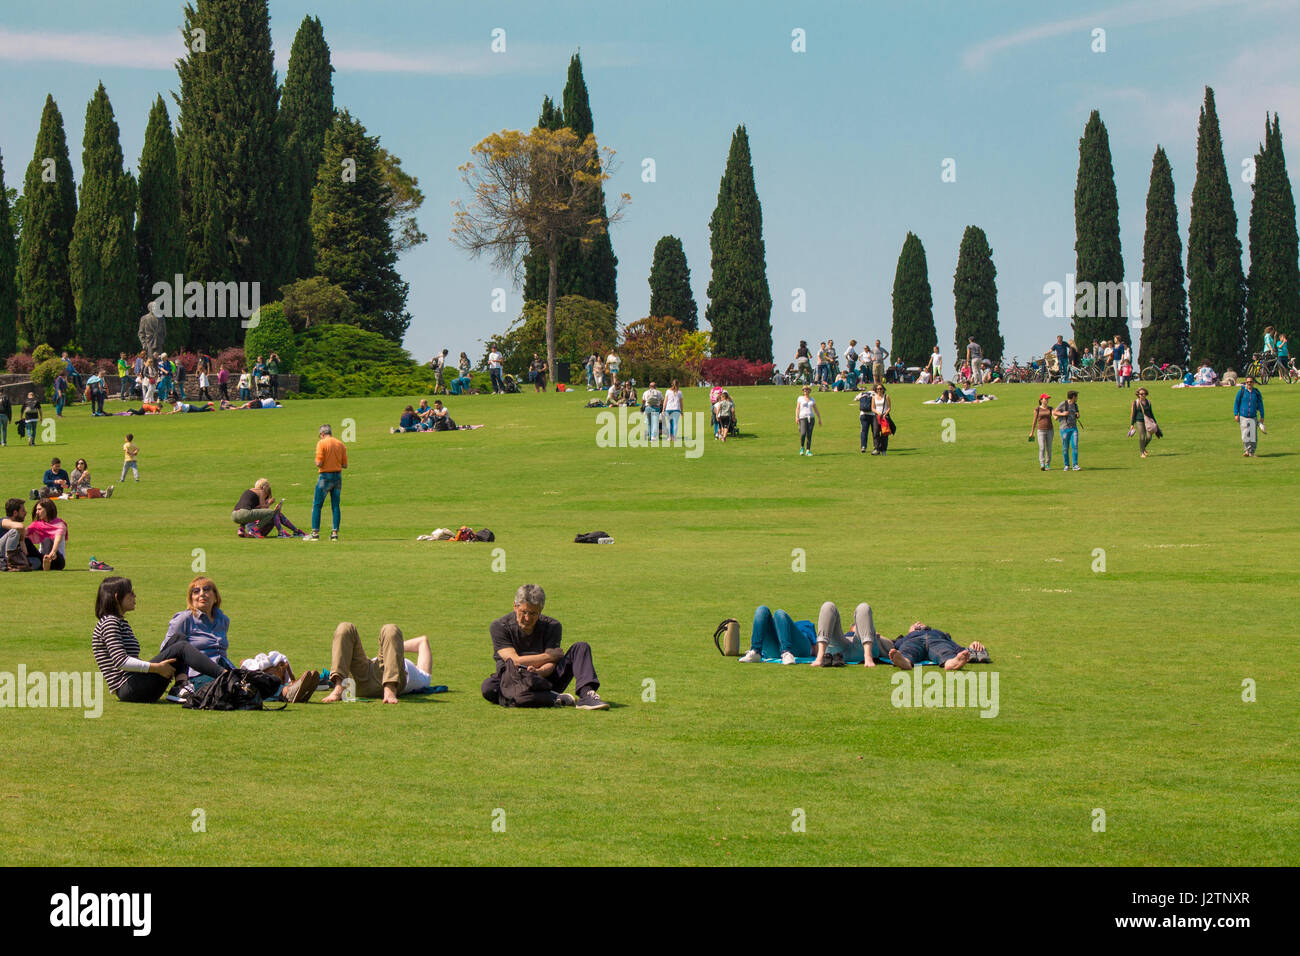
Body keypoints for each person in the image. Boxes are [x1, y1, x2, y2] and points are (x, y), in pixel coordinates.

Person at [92, 577, 231, 702]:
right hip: (128, 689)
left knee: (179, 638)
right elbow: (121, 661)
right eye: (131, 593)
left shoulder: (121, 622)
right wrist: (156, 668)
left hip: (137, 686)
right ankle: (225, 675)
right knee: (181, 646)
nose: (135, 596)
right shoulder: (109, 622)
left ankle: (180, 685)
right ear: (117, 597)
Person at [480, 584, 608, 709]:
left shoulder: (553, 626)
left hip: (545, 679)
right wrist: (548, 656)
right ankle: (553, 698)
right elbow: (515, 661)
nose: (527, 618)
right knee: (489, 687)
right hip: (513, 680)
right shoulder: (500, 626)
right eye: (523, 612)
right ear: (515, 606)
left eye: (533, 613)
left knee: (581, 647)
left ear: (541, 610)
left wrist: (539, 672)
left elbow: (551, 664)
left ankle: (586, 695)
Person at [318, 623, 415, 705]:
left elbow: (423, 642)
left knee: (391, 628)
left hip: (387, 676)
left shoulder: (421, 676)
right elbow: (422, 642)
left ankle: (390, 688)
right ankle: (340, 686)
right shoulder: (418, 673)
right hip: (360, 678)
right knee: (345, 627)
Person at [165, 577, 235, 675]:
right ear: (191, 599)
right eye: (196, 591)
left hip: (225, 669)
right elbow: (167, 650)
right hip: (199, 674)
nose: (201, 594)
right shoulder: (184, 619)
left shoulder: (223, 620)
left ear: (215, 597)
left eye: (206, 589)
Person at [885, 622, 988, 671]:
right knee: (907, 651)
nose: (918, 625)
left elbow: (954, 646)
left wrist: (970, 648)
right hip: (913, 641)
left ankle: (952, 663)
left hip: (937, 640)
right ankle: (904, 662)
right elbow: (890, 645)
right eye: (915, 626)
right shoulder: (906, 637)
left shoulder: (938, 633)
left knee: (945, 651)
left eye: (921, 625)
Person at [309, 423, 347, 541]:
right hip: (337, 477)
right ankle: (334, 532)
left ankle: (315, 532)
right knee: (335, 505)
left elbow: (319, 463)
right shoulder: (340, 444)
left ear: (322, 434)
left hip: (325, 476)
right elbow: (345, 465)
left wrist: (317, 461)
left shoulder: (321, 443)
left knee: (317, 504)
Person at [233, 478, 303, 537]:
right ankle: (256, 529)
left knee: (275, 513)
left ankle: (241, 528)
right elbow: (263, 507)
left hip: (234, 515)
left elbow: (255, 510)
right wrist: (269, 503)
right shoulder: (260, 491)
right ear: (263, 487)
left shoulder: (249, 492)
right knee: (272, 512)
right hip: (247, 517)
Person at [27, 498, 69, 570]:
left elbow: (57, 540)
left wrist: (53, 552)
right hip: (42, 557)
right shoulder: (37, 524)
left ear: (47, 509)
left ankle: (46, 563)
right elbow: (24, 533)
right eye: (36, 510)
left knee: (47, 539)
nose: (37, 512)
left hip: (56, 559)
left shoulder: (60, 524)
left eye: (39, 509)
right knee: (25, 540)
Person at [1, 498, 37, 571]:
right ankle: (11, 563)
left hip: (10, 556)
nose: (26, 512)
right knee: (14, 531)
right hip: (1, 553)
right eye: (23, 510)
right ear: (15, 513)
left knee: (37, 561)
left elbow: (25, 553)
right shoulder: (4, 521)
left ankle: (15, 565)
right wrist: (22, 538)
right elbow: (19, 527)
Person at [1233, 375, 1265, 458]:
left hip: (1253, 416)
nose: (1249, 383)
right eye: (1247, 382)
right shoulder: (1241, 391)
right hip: (1243, 416)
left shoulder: (1256, 392)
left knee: (1253, 436)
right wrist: (1236, 414)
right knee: (1245, 434)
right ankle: (1247, 450)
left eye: (1251, 382)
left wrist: (1262, 416)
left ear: (1253, 383)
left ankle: (1252, 452)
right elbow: (1236, 403)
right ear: (1245, 383)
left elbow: (1261, 404)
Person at [1128, 386, 1159, 458]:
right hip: (1139, 421)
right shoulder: (1136, 402)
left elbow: (1151, 413)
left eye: (1144, 393)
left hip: (1148, 421)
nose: (1143, 395)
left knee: (1149, 437)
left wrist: (1155, 422)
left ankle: (1143, 448)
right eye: (1141, 394)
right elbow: (1134, 413)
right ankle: (1142, 453)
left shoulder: (1148, 402)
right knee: (1142, 436)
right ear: (1138, 395)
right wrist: (1132, 424)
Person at [1054, 390, 1081, 471]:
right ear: (1073, 397)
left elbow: (1077, 414)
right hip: (1064, 428)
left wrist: (1078, 415)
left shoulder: (1075, 405)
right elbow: (1054, 412)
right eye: (1076, 396)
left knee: (1075, 446)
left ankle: (1075, 464)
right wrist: (1062, 414)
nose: (1077, 398)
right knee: (1065, 447)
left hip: (1074, 428)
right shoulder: (1063, 404)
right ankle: (1066, 465)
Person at [1029, 393, 1055, 470]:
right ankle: (1042, 463)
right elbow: (1034, 421)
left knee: (1049, 448)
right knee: (1042, 447)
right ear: (1041, 400)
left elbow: (1055, 415)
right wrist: (1032, 432)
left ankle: (1047, 464)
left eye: (1047, 399)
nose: (1047, 400)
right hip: (1040, 430)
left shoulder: (1050, 408)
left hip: (1050, 430)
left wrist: (1061, 415)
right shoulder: (1037, 409)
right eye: (1045, 399)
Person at [796, 385, 822, 456]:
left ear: (809, 391)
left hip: (811, 418)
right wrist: (796, 417)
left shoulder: (812, 399)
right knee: (803, 433)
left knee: (809, 434)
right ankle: (802, 447)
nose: (805, 391)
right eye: (804, 390)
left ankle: (808, 450)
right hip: (803, 417)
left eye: (807, 389)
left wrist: (819, 418)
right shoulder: (800, 398)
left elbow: (815, 409)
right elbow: (797, 408)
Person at [869, 383, 893, 455]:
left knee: (884, 433)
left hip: (885, 417)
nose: (879, 390)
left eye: (880, 389)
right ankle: (877, 448)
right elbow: (872, 408)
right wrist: (877, 413)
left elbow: (889, 407)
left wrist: (885, 414)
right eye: (878, 389)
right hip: (877, 416)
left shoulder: (886, 397)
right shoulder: (874, 397)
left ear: (883, 389)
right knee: (875, 432)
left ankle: (884, 449)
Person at [663, 380, 684, 445]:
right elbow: (681, 403)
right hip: (676, 409)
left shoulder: (668, 391)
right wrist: (682, 411)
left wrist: (663, 409)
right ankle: (674, 437)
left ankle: (669, 437)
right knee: (675, 424)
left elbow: (665, 401)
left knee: (669, 423)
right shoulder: (680, 392)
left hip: (668, 409)